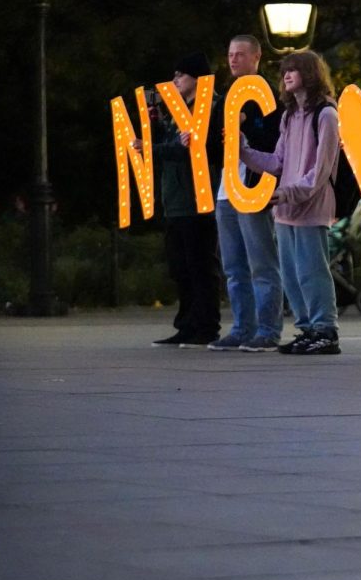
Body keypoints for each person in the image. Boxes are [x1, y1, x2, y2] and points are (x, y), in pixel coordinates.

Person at [239, 51, 342, 355]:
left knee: (312, 270)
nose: (286, 75)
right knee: (292, 274)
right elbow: (278, 162)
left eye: (294, 70)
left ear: (310, 74)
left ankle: (325, 330)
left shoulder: (326, 115)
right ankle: (307, 328)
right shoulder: (288, 116)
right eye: (285, 70)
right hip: (285, 209)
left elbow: (320, 171)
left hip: (311, 206)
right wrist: (242, 149)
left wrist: (287, 193)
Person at [208, 35, 284, 352]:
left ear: (257, 57)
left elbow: (273, 139)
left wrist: (247, 127)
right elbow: (212, 145)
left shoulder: (267, 98)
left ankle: (267, 329)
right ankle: (242, 327)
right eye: (229, 54)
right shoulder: (225, 99)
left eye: (240, 54)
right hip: (227, 189)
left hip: (252, 187)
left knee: (261, 263)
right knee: (234, 265)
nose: (234, 59)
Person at [142, 53, 223, 348]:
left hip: (198, 197)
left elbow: (188, 149)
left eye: (181, 75)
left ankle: (206, 325)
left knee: (200, 264)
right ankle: (187, 324)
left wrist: (151, 149)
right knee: (181, 266)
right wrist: (155, 129)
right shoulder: (178, 112)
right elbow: (173, 145)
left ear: (197, 79)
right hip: (177, 197)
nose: (175, 81)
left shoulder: (210, 108)